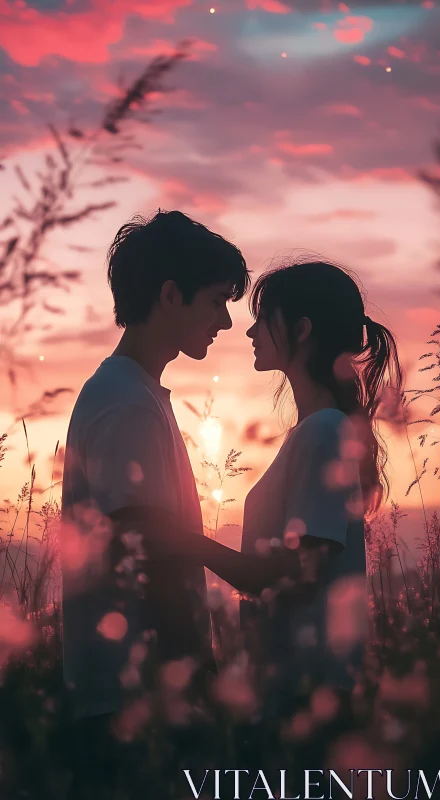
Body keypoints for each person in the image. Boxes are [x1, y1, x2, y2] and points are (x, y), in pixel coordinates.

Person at [128, 258, 405, 771]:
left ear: (301, 330)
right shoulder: (316, 431)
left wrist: (184, 541)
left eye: (263, 318)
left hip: (311, 697)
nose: (250, 330)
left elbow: (293, 574)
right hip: (293, 690)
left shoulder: (324, 433)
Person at [60, 209, 250, 796]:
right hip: (134, 696)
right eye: (217, 300)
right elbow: (146, 539)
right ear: (171, 295)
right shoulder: (126, 401)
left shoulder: (136, 393)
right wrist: (193, 669)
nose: (224, 320)